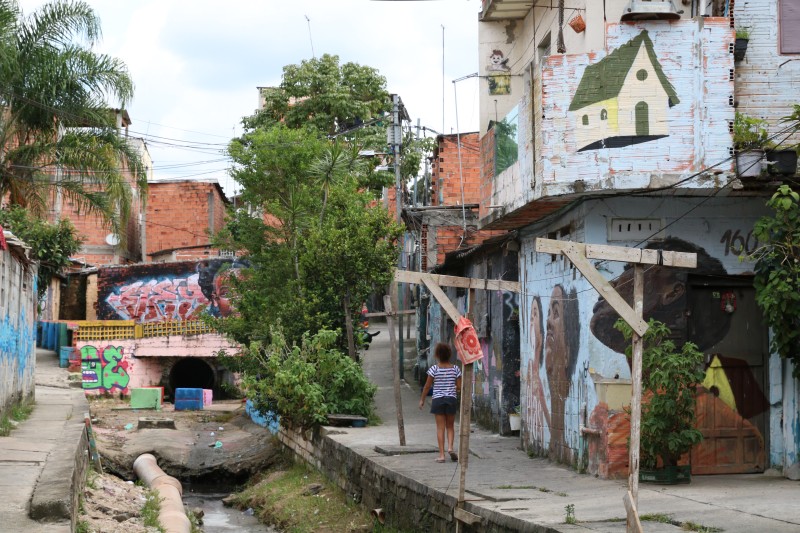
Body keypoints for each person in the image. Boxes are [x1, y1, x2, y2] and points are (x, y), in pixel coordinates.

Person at [419, 343, 462, 463]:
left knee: (440, 428)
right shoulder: (455, 369)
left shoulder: (434, 369)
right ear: (450, 355)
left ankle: (442, 455)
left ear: (437, 355)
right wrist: (453, 388)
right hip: (451, 399)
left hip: (437, 400)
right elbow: (459, 387)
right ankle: (450, 448)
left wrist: (422, 399)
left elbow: (427, 386)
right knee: (450, 426)